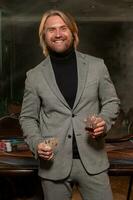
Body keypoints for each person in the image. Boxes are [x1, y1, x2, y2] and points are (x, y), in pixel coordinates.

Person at [20, 9, 120, 200]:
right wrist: (36, 143)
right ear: (44, 36)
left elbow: (111, 102)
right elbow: (27, 117)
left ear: (73, 33)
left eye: (63, 28)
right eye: (51, 29)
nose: (58, 34)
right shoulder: (34, 76)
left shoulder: (97, 66)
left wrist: (104, 122)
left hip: (93, 162)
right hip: (53, 164)